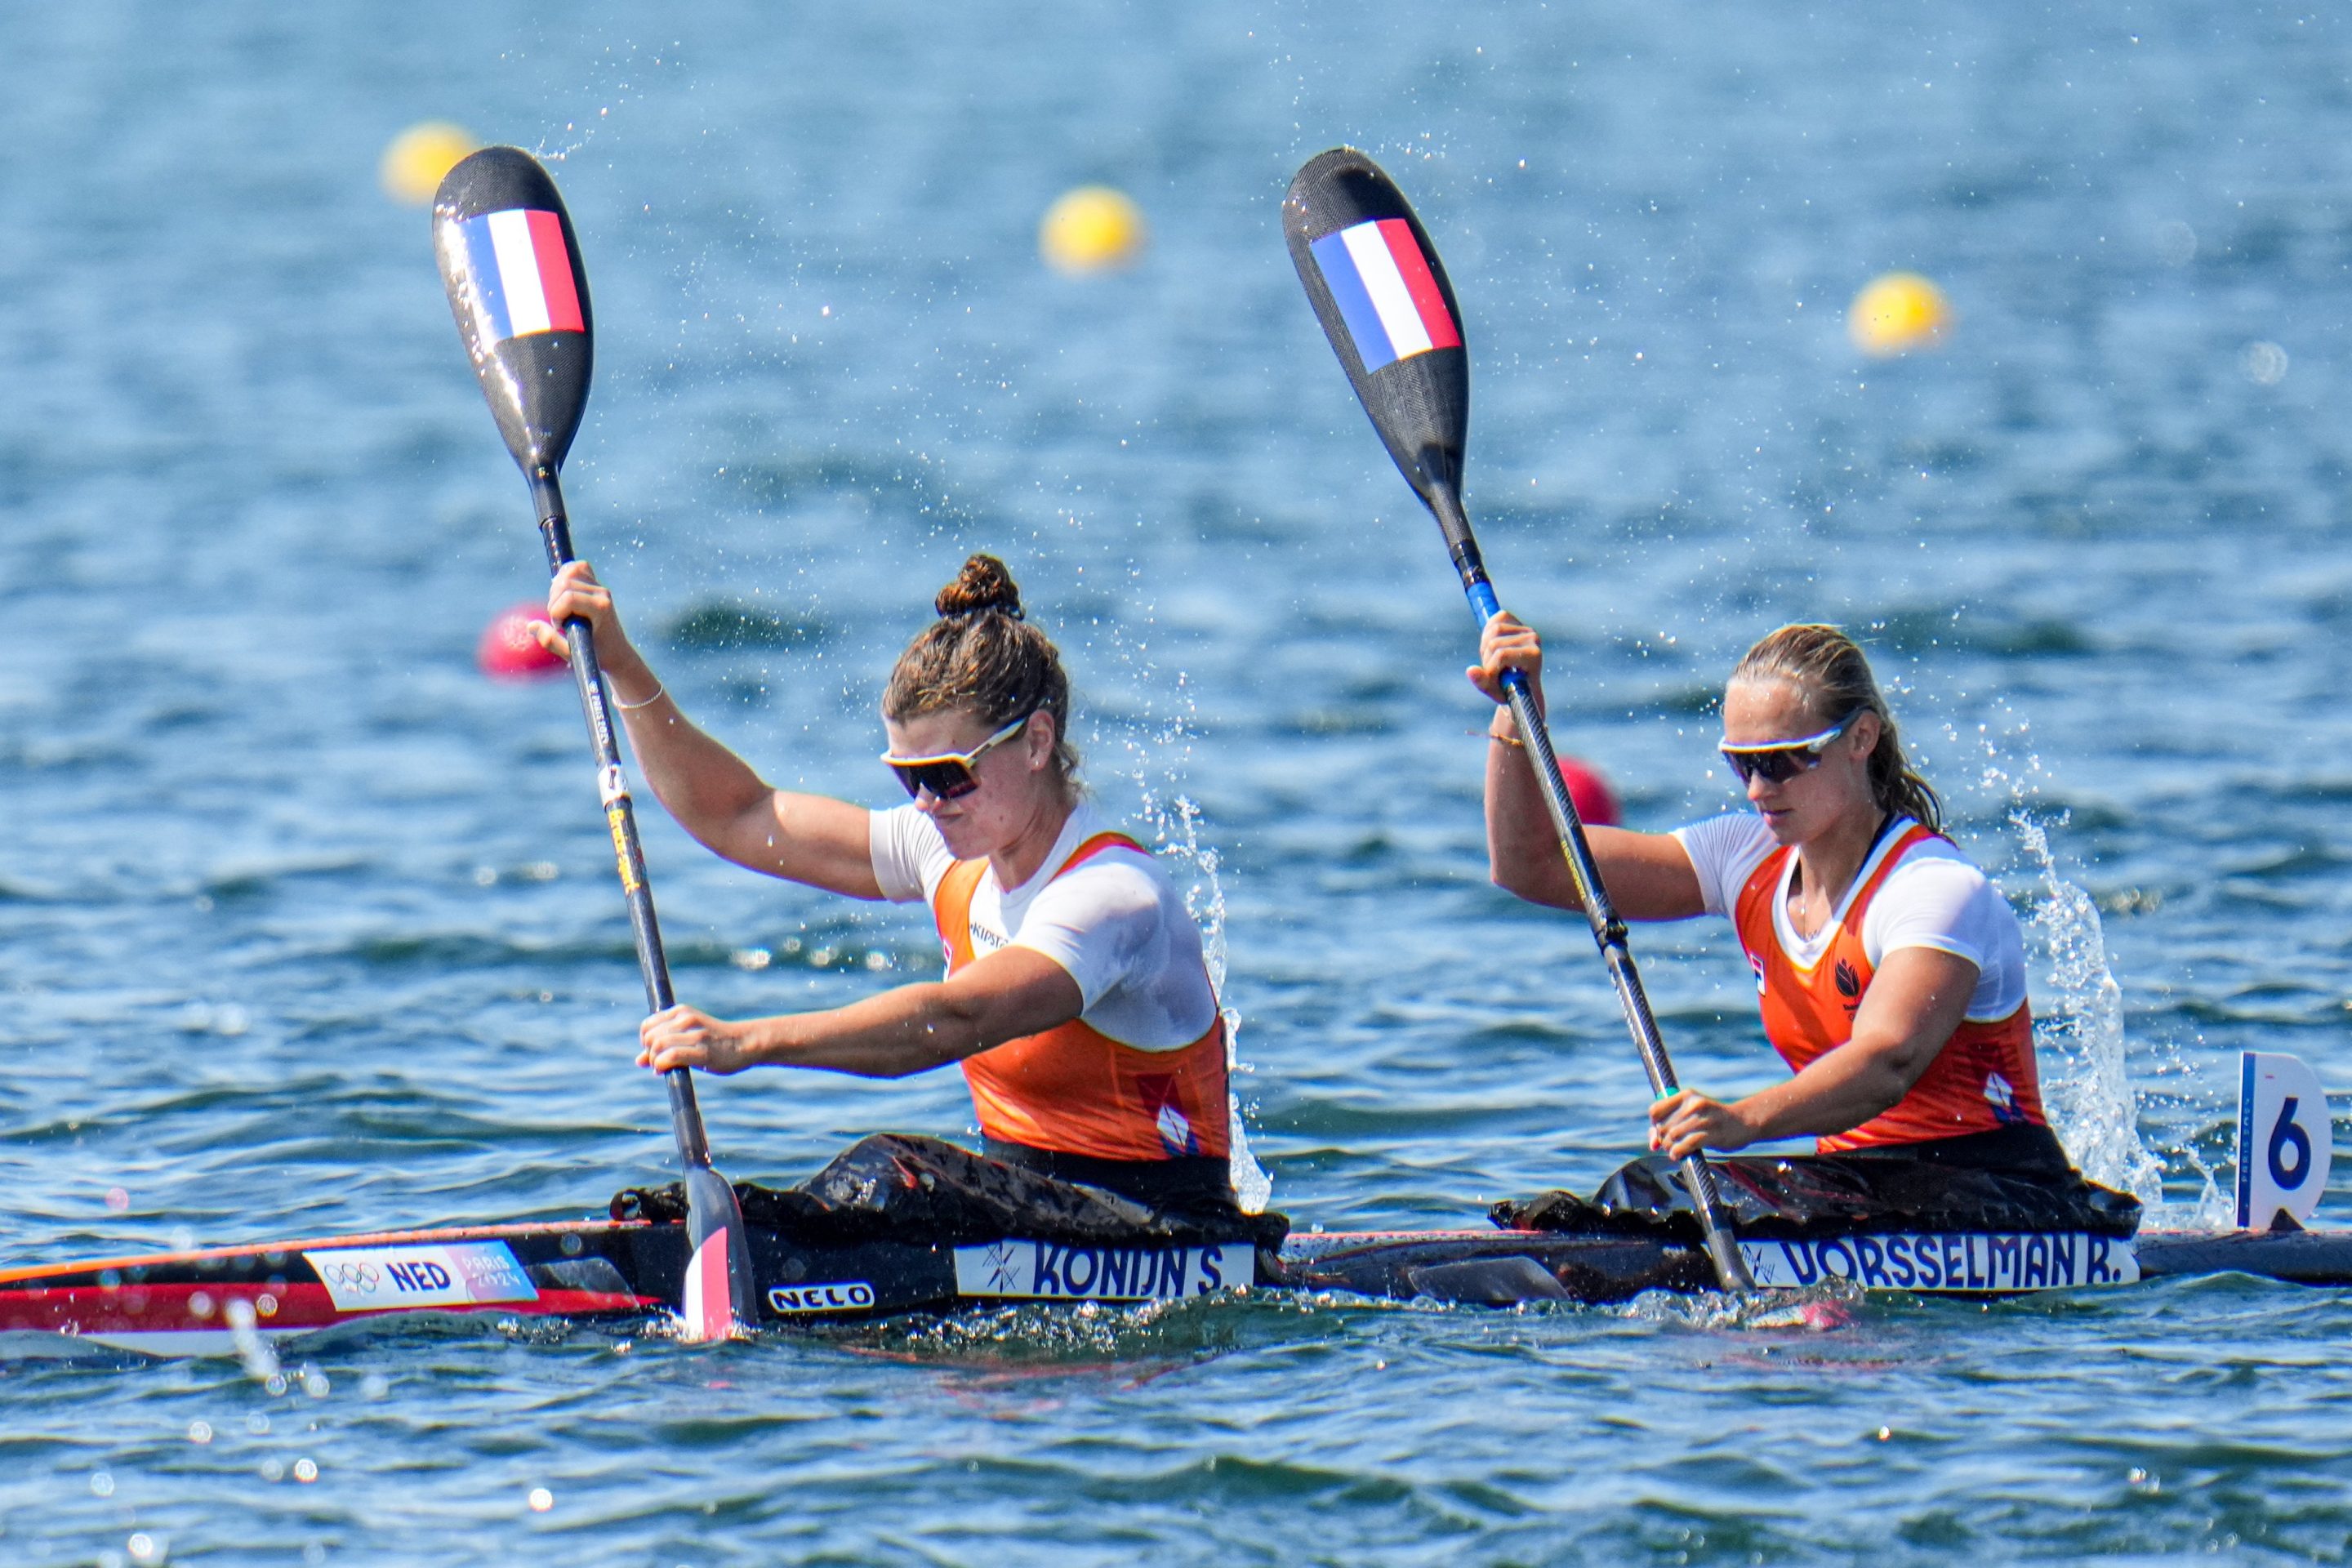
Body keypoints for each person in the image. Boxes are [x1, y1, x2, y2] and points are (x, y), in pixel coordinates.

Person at [537, 553, 1237, 1214]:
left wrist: (750, 1043)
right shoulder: (949, 848)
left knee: (890, 1176)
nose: (927, 804)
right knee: (881, 1188)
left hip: (1163, 1232)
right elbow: (740, 815)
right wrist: (623, 668)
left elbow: (959, 1020)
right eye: (909, 778)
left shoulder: (1115, 896)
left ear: (1036, 742)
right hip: (1027, 1223)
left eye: (948, 774)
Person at [1472, 614, 2067, 1174]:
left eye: (1782, 762)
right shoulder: (1744, 856)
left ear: (1861, 738)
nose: (1757, 790)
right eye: (1741, 765)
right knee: (1645, 1194)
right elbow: (1534, 867)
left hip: (1996, 1188)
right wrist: (1517, 720)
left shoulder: (1933, 888)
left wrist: (1741, 1121)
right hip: (1857, 1188)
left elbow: (1889, 1061)